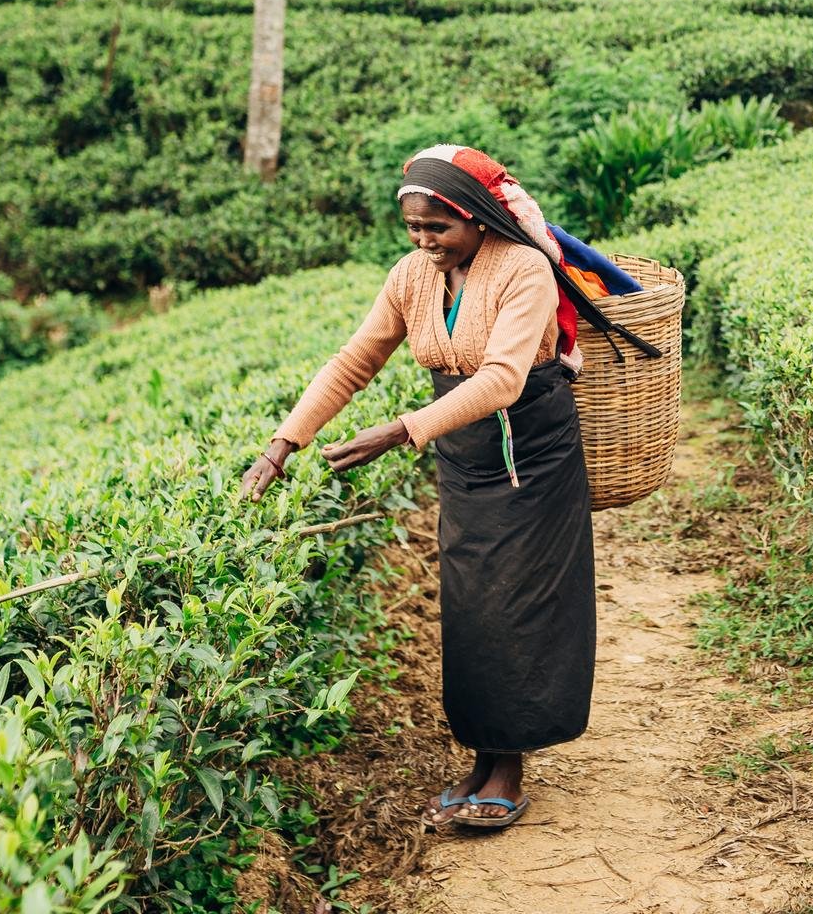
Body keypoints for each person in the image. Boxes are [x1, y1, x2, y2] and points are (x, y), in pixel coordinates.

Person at [242, 145, 647, 831]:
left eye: (439, 227)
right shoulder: (411, 277)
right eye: (414, 229)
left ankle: (509, 762)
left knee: (522, 604)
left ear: (477, 217)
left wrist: (400, 431)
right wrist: (283, 445)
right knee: (471, 604)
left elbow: (502, 379)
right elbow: (355, 360)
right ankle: (482, 754)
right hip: (464, 458)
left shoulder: (523, 269)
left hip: (534, 454)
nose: (426, 242)